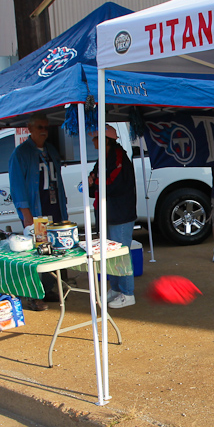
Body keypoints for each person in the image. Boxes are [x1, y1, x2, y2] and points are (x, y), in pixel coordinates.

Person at [8, 113, 67, 311]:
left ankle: (48, 288)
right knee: (36, 253)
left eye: (46, 127)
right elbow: (17, 187)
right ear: (30, 128)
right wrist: (26, 215)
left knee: (53, 249)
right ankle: (33, 295)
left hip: (55, 209)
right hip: (37, 212)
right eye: (39, 127)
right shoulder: (21, 154)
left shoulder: (51, 150)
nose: (44, 131)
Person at [87, 124, 137, 309]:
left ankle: (128, 293)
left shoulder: (118, 156)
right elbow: (95, 181)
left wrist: (95, 183)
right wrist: (93, 183)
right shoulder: (104, 158)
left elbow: (113, 184)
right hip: (108, 213)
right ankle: (116, 289)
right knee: (110, 253)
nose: (93, 141)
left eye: (95, 138)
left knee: (121, 253)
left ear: (105, 140)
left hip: (120, 214)